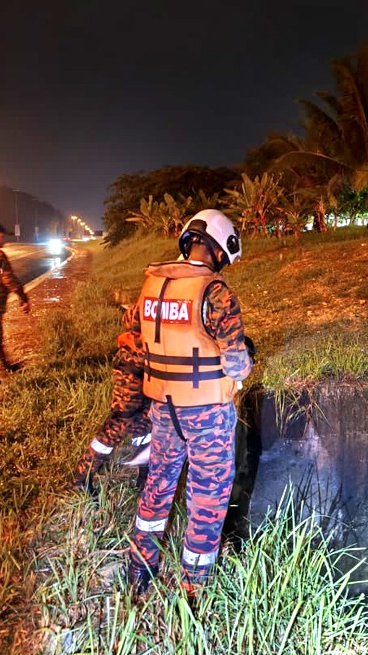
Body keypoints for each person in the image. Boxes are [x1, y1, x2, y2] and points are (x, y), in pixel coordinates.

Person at [125, 209, 253, 605]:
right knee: (207, 499)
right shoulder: (215, 292)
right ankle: (193, 591)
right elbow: (236, 364)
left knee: (157, 488)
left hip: (163, 410)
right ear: (220, 248)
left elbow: (134, 340)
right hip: (207, 416)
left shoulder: (149, 286)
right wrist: (246, 358)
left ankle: (138, 573)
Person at [72, 311, 152, 496]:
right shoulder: (155, 293)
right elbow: (131, 318)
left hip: (150, 366)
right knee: (121, 421)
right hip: (133, 365)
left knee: (145, 422)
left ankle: (145, 475)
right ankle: (82, 477)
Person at [0, 221, 30, 382]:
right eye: (1, 236)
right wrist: (23, 297)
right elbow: (8, 279)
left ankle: (5, 367)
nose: (3, 239)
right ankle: (3, 371)